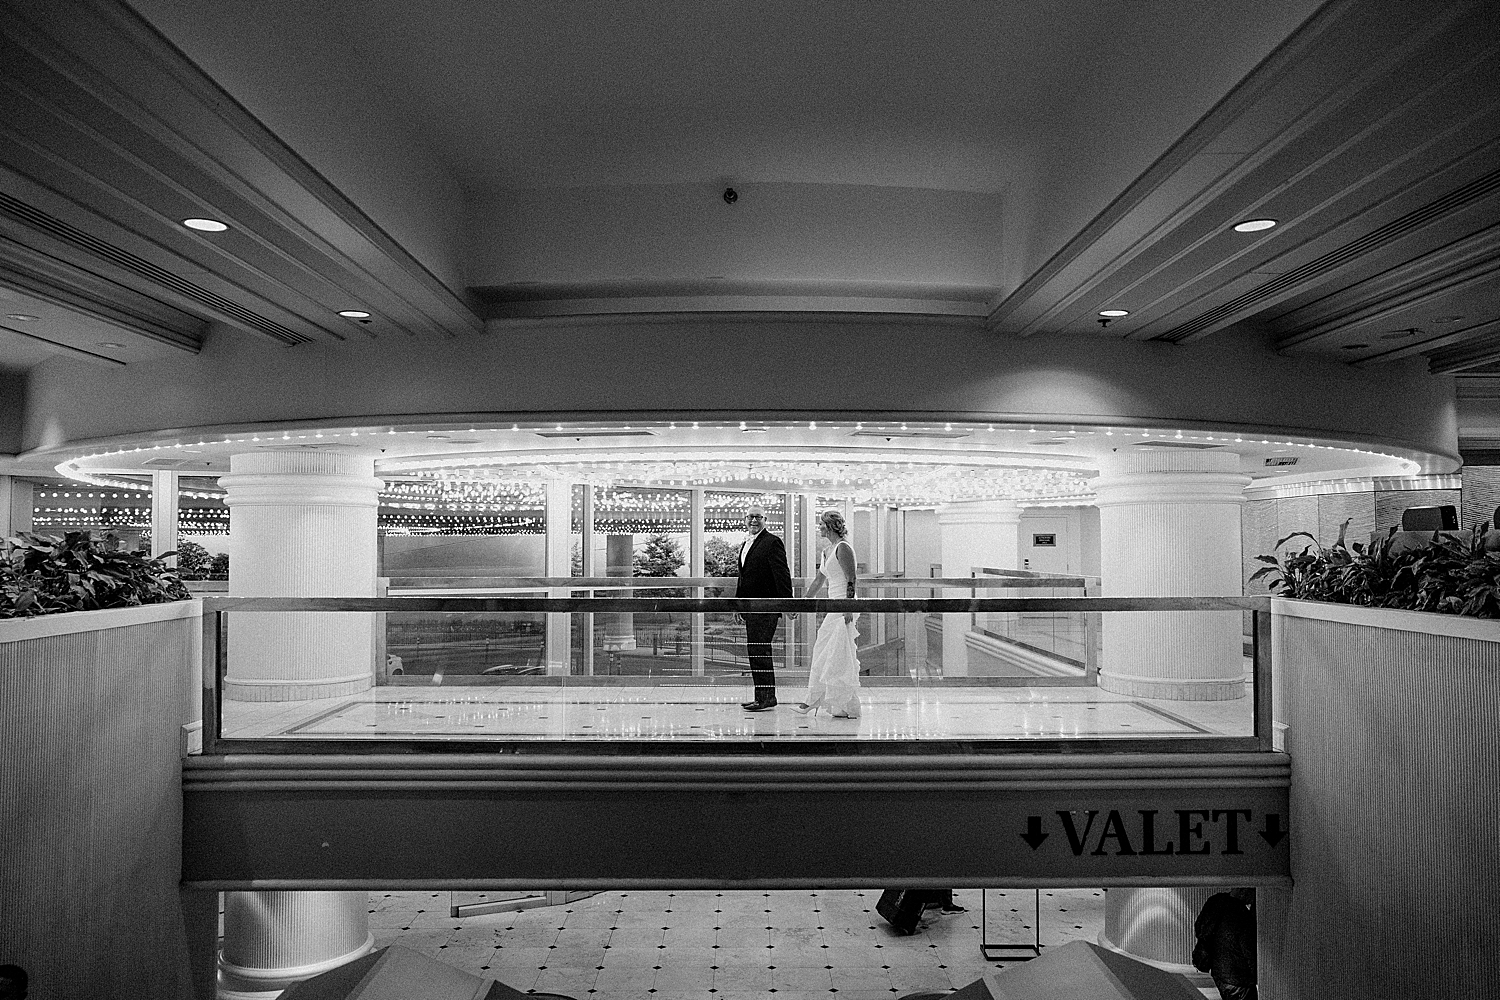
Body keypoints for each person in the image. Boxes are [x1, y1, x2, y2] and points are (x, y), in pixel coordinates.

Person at [792, 510, 862, 719]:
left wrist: (848, 607)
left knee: (832, 651)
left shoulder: (843, 548)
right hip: (834, 605)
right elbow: (818, 581)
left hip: (844, 607)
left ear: (831, 526)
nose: (819, 527)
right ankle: (846, 705)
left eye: (822, 524)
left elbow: (851, 579)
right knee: (835, 653)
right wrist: (803, 604)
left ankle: (812, 700)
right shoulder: (827, 550)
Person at [733, 503, 792, 711]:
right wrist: (739, 605)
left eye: (758, 517)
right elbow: (744, 578)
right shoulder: (746, 542)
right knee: (756, 651)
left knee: (760, 651)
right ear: (745, 520)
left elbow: (782, 574)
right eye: (750, 517)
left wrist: (788, 603)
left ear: (765, 520)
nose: (754, 520)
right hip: (751, 608)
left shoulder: (772, 542)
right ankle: (762, 696)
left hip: (766, 607)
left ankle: (767, 697)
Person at [1192, 888, 1257, 1000]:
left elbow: (1199, 927)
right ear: (1244, 891)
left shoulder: (1215, 901)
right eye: (1253, 893)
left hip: (1219, 974)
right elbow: (1249, 951)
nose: (1253, 898)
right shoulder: (1241, 914)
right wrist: (1257, 976)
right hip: (1239, 979)